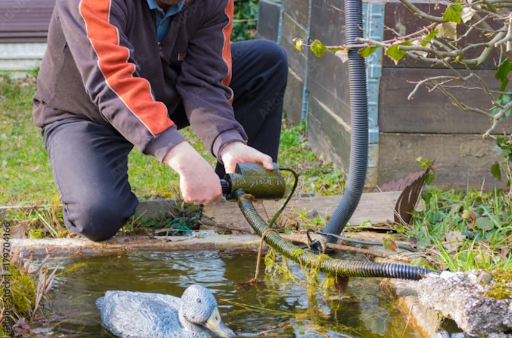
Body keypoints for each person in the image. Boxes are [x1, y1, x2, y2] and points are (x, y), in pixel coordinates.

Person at [32, 0, 288, 242]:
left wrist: (228, 141)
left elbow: (205, 80)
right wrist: (180, 155)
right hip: (85, 111)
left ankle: (235, 199)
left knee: (267, 61)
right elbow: (111, 82)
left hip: (161, 88)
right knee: (97, 214)